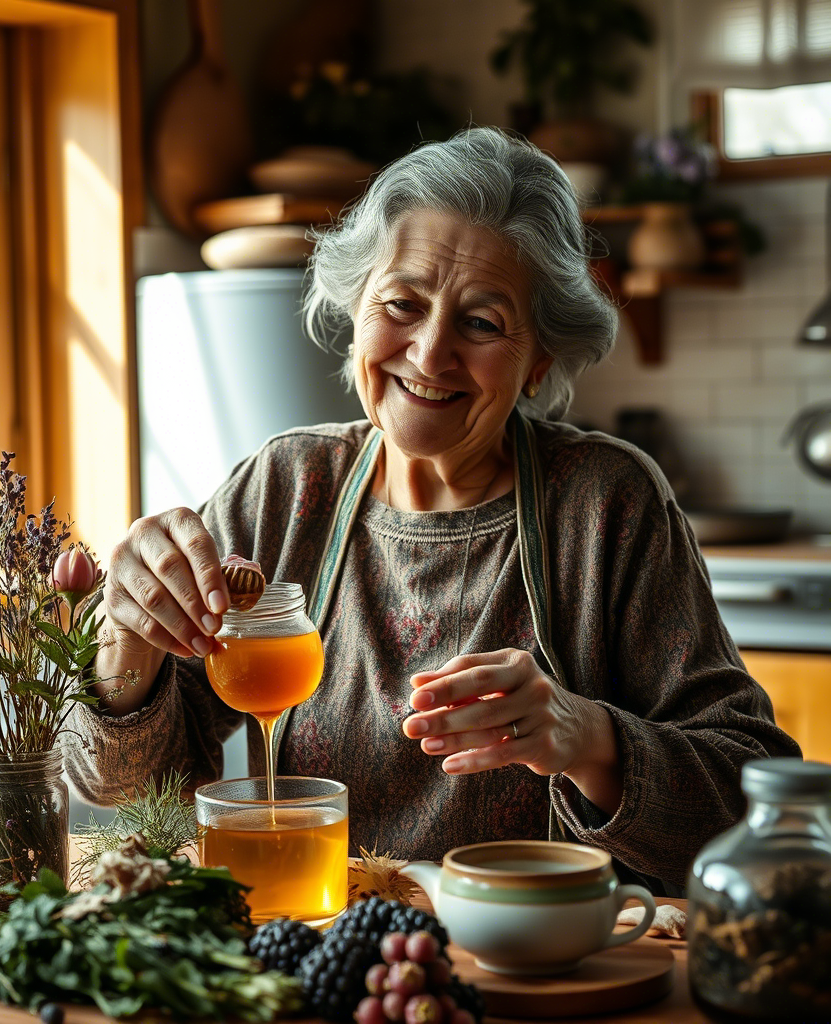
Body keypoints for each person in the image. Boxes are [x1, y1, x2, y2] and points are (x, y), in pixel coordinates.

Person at [62, 126, 799, 893]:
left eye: (481, 323)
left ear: (538, 360)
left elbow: (758, 798)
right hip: (326, 954)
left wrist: (588, 738)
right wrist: (127, 641)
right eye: (402, 304)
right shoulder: (286, 488)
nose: (429, 353)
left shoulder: (607, 505)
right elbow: (118, 790)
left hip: (538, 977)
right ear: (355, 310)